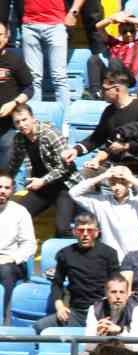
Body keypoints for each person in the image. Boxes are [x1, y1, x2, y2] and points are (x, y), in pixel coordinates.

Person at [36, 212, 123, 331]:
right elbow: (57, 283)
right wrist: (60, 306)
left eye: (90, 230)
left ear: (97, 232)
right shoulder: (65, 254)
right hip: (77, 313)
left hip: (102, 312)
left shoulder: (109, 253)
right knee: (40, 327)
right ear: (74, 232)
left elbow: (116, 284)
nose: (85, 235)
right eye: (81, 230)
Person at [70, 66, 138, 178]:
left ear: (117, 89)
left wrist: (126, 146)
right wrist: (76, 150)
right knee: (82, 176)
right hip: (112, 166)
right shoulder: (109, 111)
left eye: (104, 89)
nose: (101, 92)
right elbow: (97, 138)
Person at [8, 102, 75, 235]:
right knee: (15, 218)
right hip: (41, 189)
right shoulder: (19, 139)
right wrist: (6, 180)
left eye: (24, 120)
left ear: (33, 118)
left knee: (62, 227)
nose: (22, 125)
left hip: (64, 186)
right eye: (17, 122)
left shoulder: (50, 134)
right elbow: (14, 165)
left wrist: (43, 181)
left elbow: (66, 166)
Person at [67, 165, 138, 258]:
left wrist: (130, 178)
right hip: (110, 259)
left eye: (122, 182)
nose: (117, 187)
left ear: (130, 183)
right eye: (113, 183)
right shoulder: (101, 203)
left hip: (137, 257)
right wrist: (102, 176)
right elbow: (73, 193)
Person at [0, 23, 35, 175]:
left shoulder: (15, 58)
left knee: (6, 171)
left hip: (8, 125)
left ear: (6, 37)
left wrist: (14, 103)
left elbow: (29, 88)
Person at [20, 0, 72, 103]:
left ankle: (65, 117)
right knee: (33, 77)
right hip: (30, 24)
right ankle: (35, 116)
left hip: (56, 24)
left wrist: (73, 11)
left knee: (59, 77)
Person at [0, 171, 35, 317]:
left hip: (10, 261)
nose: (2, 191)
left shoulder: (20, 212)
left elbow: (30, 244)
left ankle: (5, 320)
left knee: (5, 271)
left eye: (7, 188)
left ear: (12, 190)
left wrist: (12, 258)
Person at [88, 271, 138, 345]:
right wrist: (97, 335)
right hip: (103, 352)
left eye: (122, 292)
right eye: (113, 292)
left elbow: (137, 348)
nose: (118, 296)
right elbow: (88, 347)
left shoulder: (137, 310)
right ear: (106, 293)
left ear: (127, 294)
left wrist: (119, 331)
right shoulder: (94, 309)